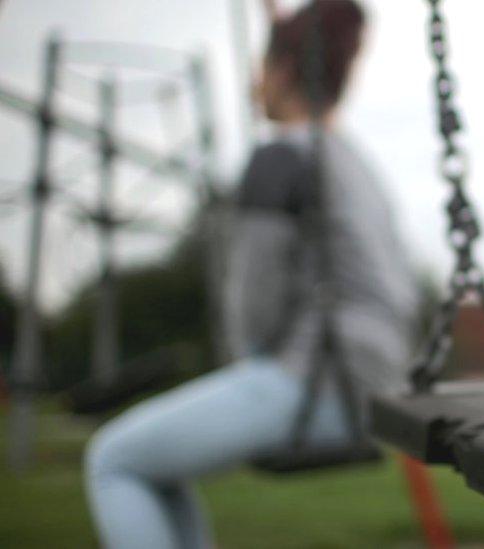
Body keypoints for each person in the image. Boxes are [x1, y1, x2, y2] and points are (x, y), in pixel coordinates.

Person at [84, 2, 419, 547]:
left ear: (283, 70)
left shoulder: (279, 159)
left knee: (113, 459)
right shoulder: (356, 164)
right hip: (379, 386)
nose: (252, 79)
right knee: (158, 467)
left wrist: (248, 358)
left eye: (261, 65)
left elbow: (255, 304)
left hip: (315, 382)